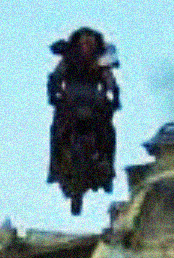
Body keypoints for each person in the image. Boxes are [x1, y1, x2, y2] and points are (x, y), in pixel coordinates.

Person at [46, 27, 120, 185]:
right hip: (70, 101)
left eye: (90, 43)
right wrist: (53, 95)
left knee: (108, 132)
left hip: (94, 101)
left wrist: (115, 96)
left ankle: (107, 167)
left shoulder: (101, 60)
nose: (87, 47)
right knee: (57, 130)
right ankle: (54, 167)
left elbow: (109, 79)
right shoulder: (69, 59)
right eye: (84, 43)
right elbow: (56, 77)